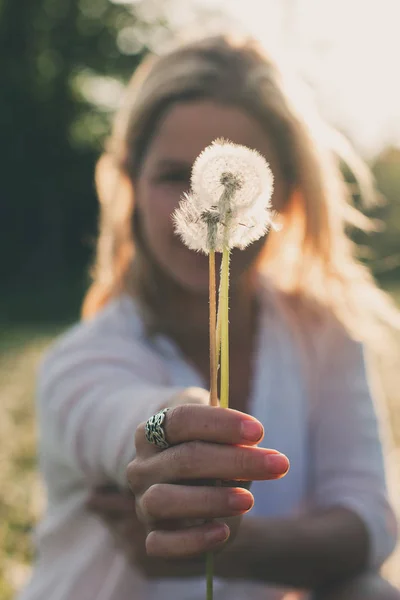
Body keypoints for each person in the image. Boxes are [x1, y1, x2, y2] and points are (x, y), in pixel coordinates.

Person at [18, 34, 400, 600]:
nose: (209, 206)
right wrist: (167, 428)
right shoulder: (82, 359)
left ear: (285, 193)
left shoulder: (323, 334)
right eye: (174, 175)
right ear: (130, 181)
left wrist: (236, 547)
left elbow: (369, 520)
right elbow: (112, 420)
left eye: (233, 182)